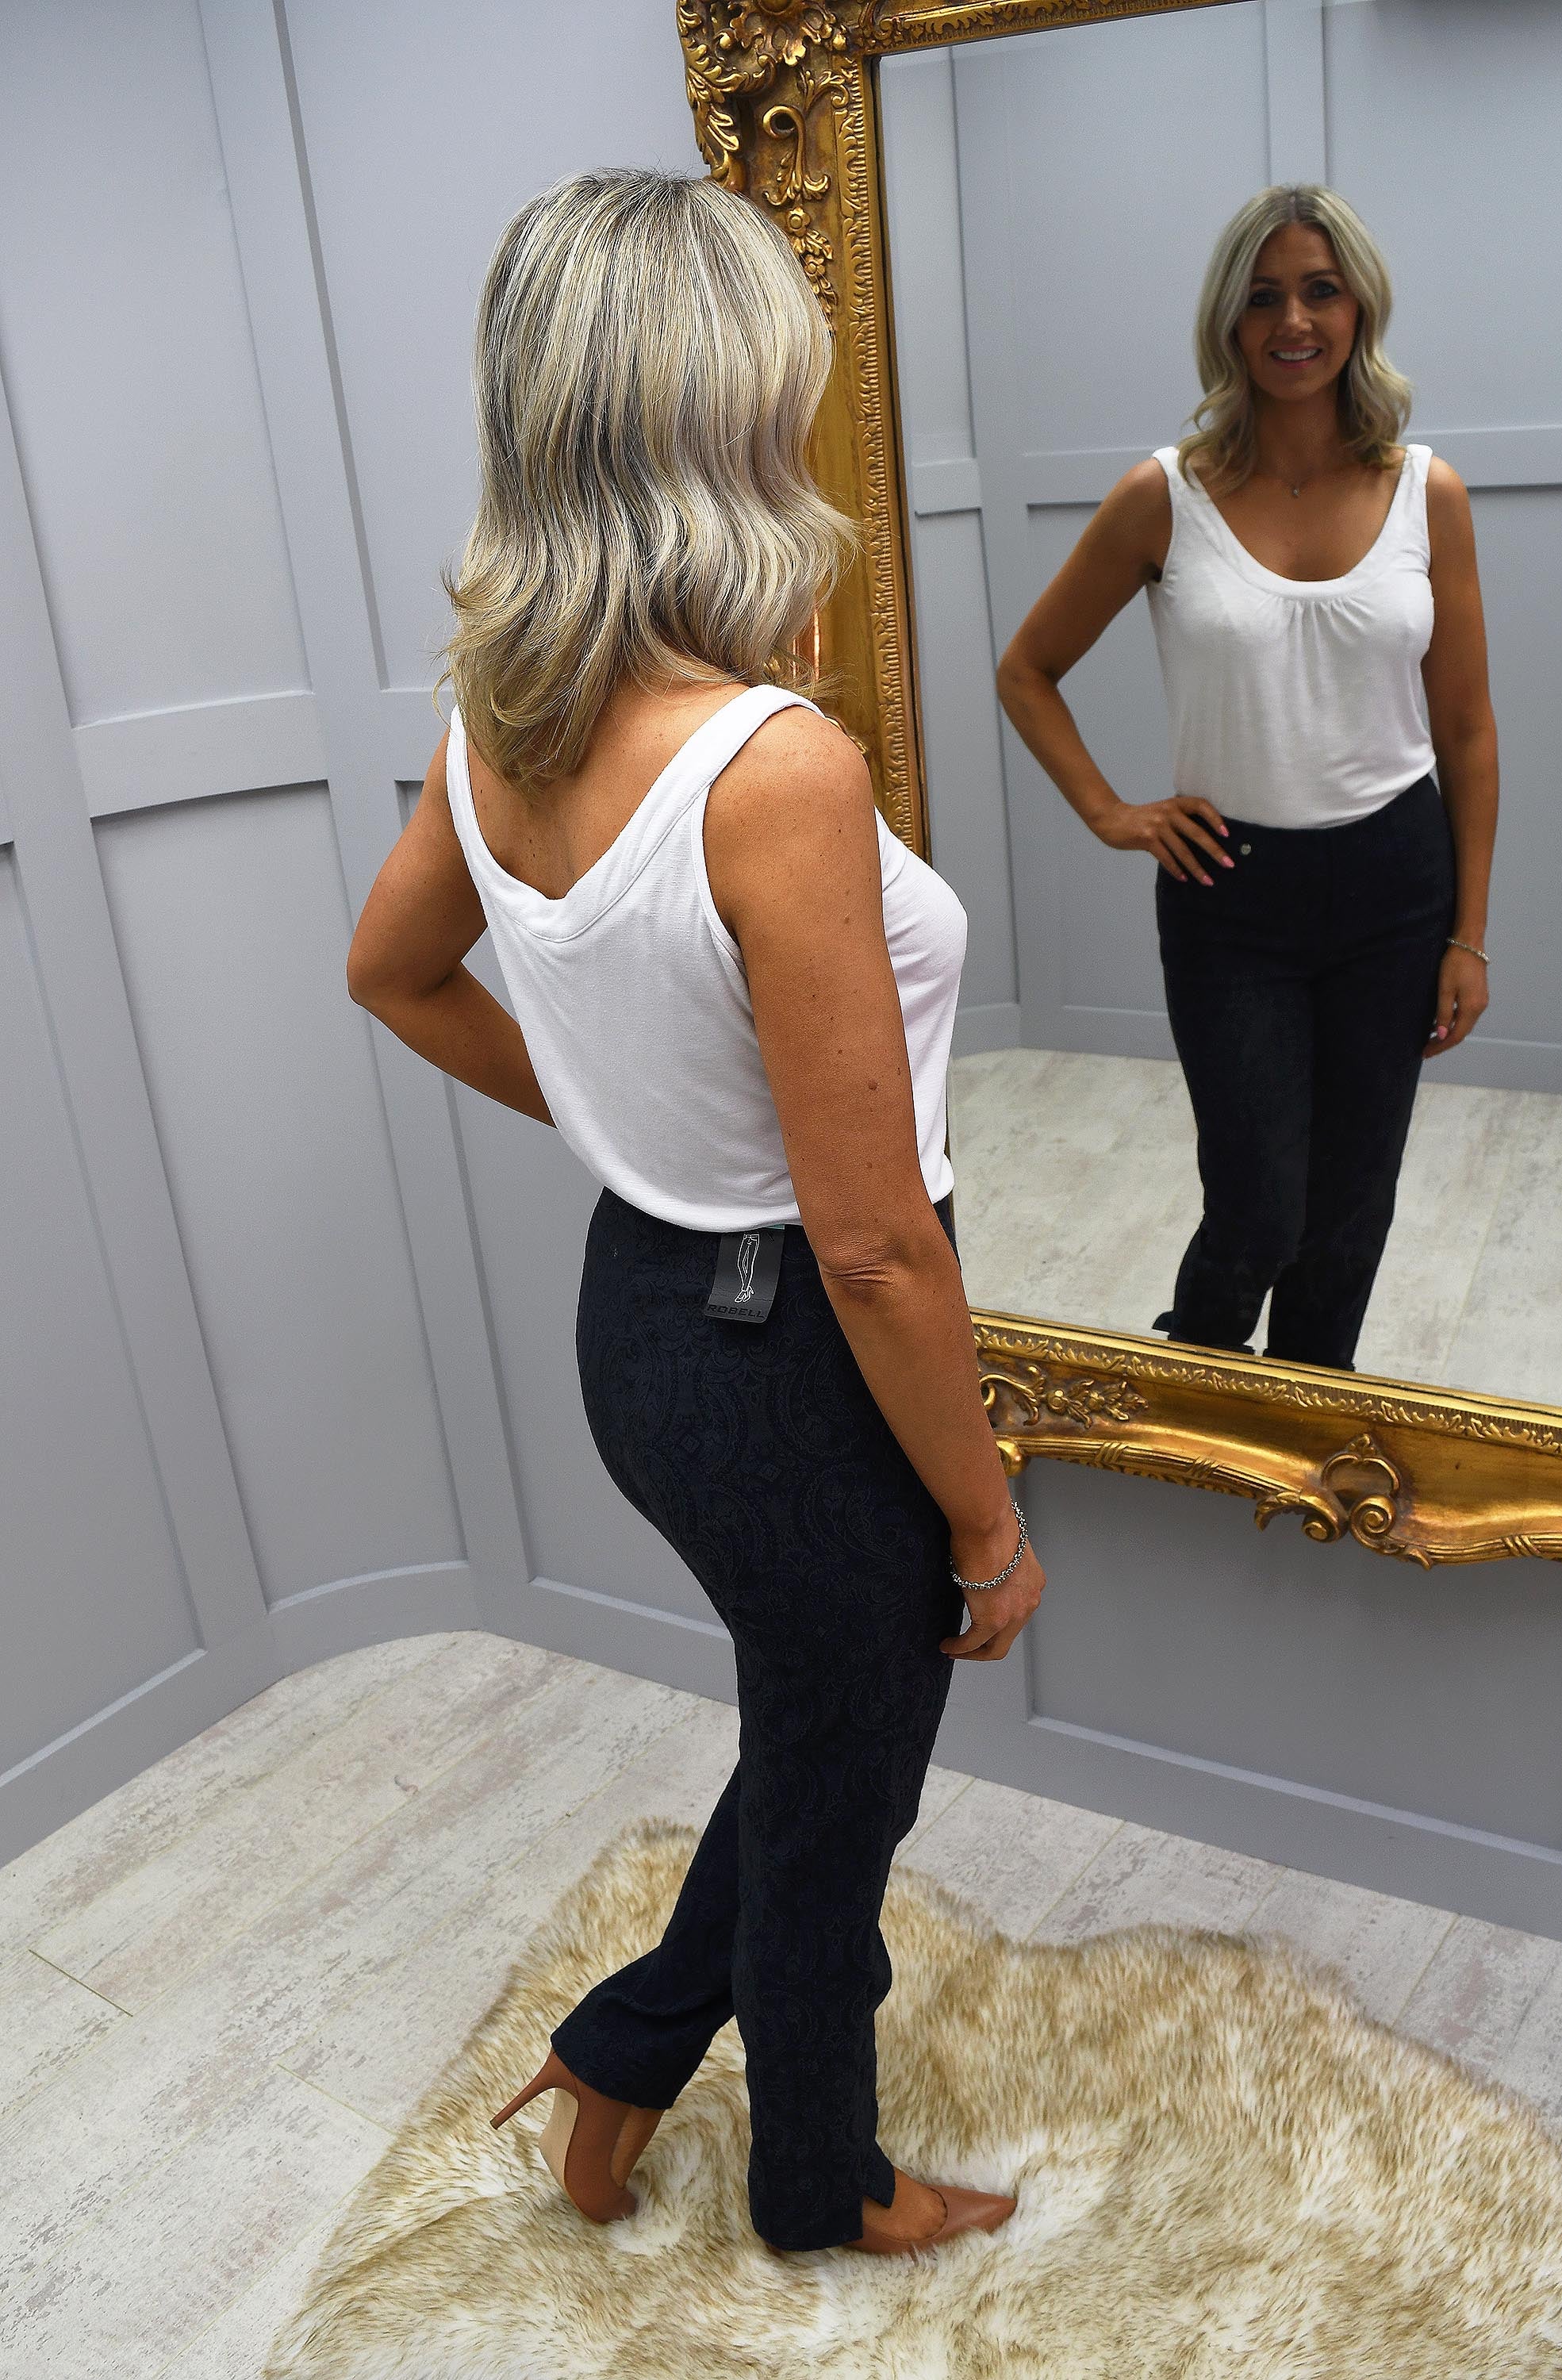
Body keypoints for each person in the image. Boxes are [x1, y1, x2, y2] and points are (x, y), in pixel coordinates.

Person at [345, 169, 1043, 2258]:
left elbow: (393, 973)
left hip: (644, 1330)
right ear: (723, 413)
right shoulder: (773, 766)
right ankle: (818, 2183)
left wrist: (625, 1117)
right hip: (799, 1356)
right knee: (848, 1777)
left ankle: (624, 2052)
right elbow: (877, 1247)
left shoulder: (504, 718)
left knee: (820, 1731)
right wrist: (988, 1518)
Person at [997, 184, 1499, 1371]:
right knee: (1260, 1208)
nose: (1295, 321)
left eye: (1321, 291)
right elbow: (1028, 670)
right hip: (1232, 894)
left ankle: (1309, 1419)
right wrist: (1110, 813)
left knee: (1349, 1215)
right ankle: (1195, 1401)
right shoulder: (1162, 497)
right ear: (1228, 319)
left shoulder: (1426, 492)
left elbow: (1467, 729)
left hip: (1396, 884)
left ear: (1360, 308)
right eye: (1264, 297)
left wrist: (1468, 937)